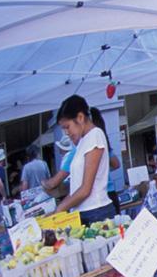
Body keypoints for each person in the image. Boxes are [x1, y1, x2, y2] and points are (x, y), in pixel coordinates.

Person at [44, 95, 114, 224]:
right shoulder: (82, 141)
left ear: (80, 118)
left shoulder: (95, 135)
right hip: (84, 212)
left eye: (67, 127)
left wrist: (58, 211)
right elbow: (78, 185)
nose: (66, 133)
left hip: (96, 212)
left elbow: (85, 189)